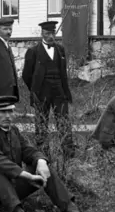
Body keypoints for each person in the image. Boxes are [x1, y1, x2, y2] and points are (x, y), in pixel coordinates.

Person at [0, 95, 100, 212]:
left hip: (8, 189)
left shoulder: (13, 131)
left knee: (44, 169)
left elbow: (28, 151)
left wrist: (41, 162)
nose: (8, 116)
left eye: (10, 111)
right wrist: (27, 176)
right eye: (3, 112)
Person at [22, 21, 75, 156]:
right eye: (47, 33)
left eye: (52, 33)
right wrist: (35, 90)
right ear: (42, 34)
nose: (50, 36)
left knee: (64, 122)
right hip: (41, 93)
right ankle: (42, 154)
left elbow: (63, 72)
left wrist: (65, 92)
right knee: (41, 124)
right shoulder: (33, 51)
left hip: (59, 92)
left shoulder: (60, 49)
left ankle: (68, 153)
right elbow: (26, 75)